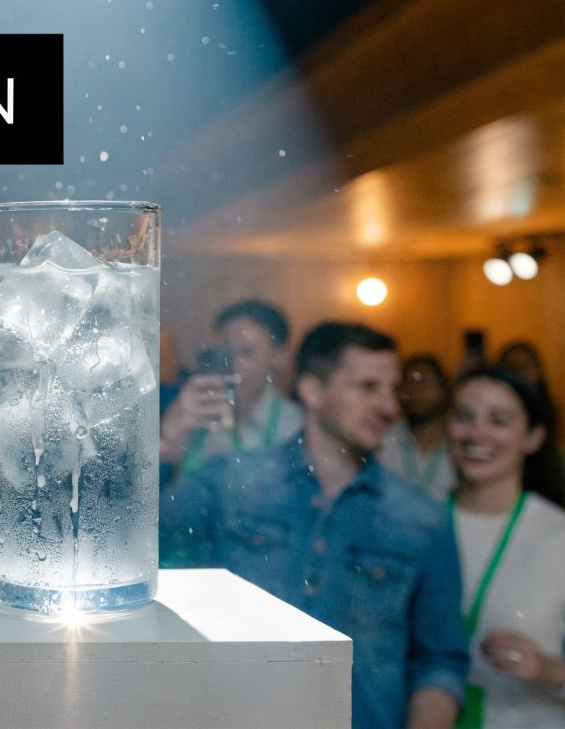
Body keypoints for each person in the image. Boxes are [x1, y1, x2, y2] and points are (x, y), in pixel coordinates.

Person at [161, 322, 468, 729]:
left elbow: (440, 660)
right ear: (312, 391)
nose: (389, 407)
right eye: (367, 387)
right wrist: (168, 439)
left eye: (392, 390)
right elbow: (144, 557)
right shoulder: (230, 484)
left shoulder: (420, 518)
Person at [446, 368, 565, 727]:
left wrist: (548, 669)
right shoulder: (418, 526)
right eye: (464, 417)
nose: (477, 433)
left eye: (498, 421)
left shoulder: (557, 535)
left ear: (533, 437)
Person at [160, 299, 303, 475]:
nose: (232, 364)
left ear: (278, 357)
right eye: (225, 352)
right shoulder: (192, 411)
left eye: (247, 353)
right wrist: (168, 437)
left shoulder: (296, 426)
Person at [378, 354, 456, 501]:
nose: (415, 389)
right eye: (407, 382)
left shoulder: (460, 440)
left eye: (424, 381)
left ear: (445, 388)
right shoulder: (382, 440)